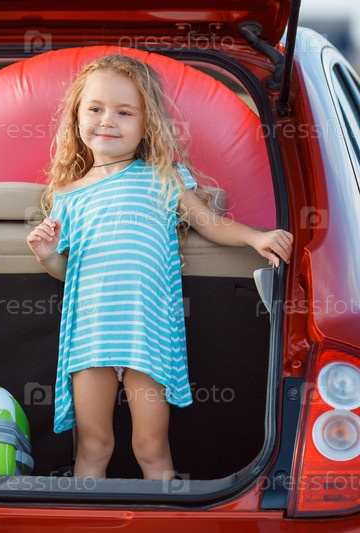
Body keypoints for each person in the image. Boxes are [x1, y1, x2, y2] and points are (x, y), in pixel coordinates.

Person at [26, 54, 293, 481]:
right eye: (95, 109)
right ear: (76, 117)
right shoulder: (68, 195)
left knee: (152, 447)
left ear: (146, 123)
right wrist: (48, 255)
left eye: (124, 112)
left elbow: (210, 223)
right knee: (93, 445)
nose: (107, 121)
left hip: (146, 333)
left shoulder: (164, 177)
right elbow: (68, 271)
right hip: (90, 335)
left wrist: (254, 237)